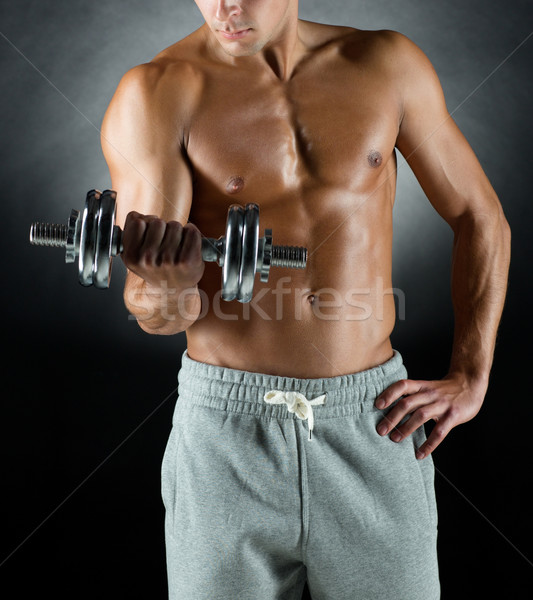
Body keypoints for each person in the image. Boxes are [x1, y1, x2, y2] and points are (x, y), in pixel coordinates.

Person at [100, 1, 511, 598]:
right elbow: (155, 310)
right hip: (226, 439)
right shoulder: (158, 93)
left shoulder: (386, 66)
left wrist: (472, 373)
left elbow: (481, 216)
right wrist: (166, 284)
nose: (224, 6)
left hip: (375, 421)